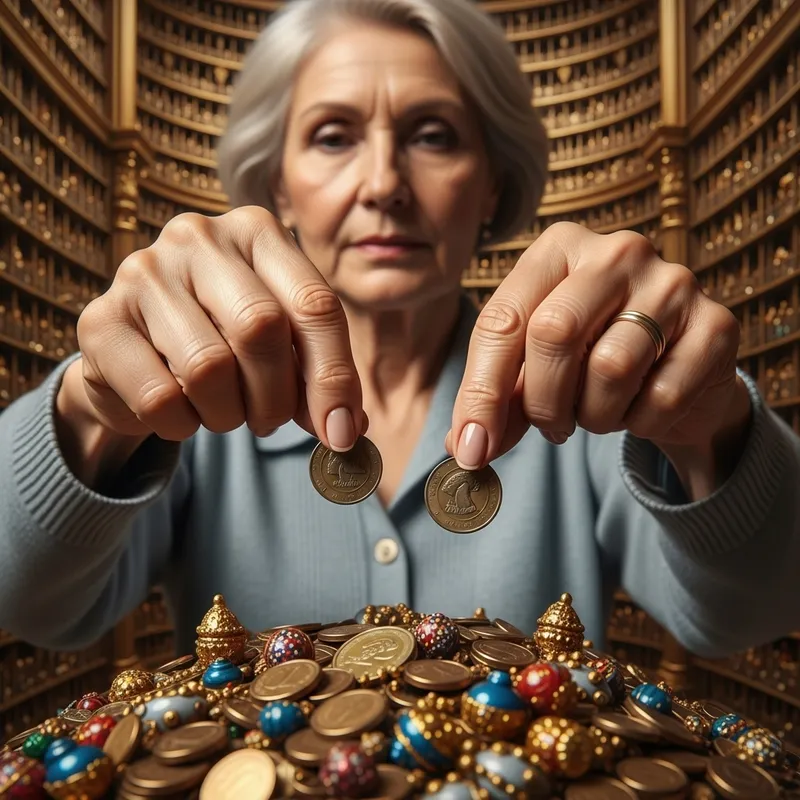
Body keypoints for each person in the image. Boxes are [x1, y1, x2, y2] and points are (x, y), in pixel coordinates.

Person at [0, 0, 798, 661]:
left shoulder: (585, 389)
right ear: (279, 186)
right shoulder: (198, 393)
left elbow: (753, 613)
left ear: (491, 186)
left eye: (433, 135)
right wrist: (92, 413)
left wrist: (713, 430)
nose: (384, 184)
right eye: (333, 136)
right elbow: (31, 606)